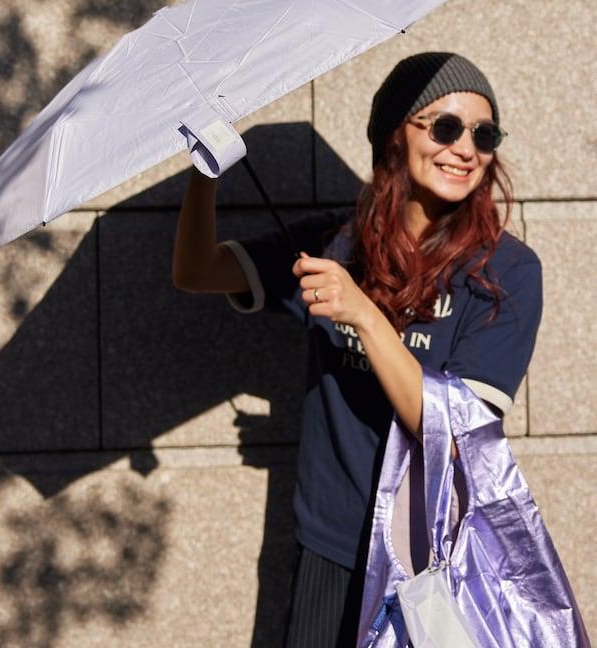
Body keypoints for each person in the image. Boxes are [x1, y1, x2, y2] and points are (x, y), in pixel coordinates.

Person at [172, 52, 542, 647]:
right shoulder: (335, 244)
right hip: (330, 547)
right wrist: (205, 173)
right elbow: (198, 270)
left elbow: (453, 433)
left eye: (484, 133)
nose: (467, 148)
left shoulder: (506, 272)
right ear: (395, 137)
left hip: (433, 559)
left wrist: (364, 316)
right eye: (445, 127)